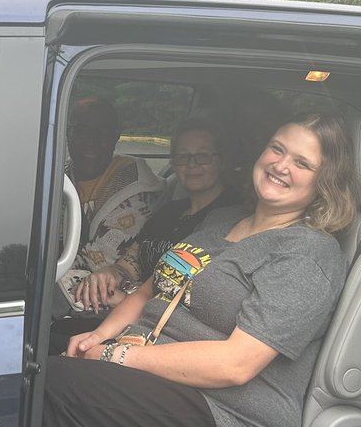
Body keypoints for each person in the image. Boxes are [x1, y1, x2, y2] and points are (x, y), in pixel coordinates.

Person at [33, 113, 360, 427]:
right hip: (164, 374)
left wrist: (117, 358)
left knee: (58, 385)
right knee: (46, 348)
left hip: (235, 421)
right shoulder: (225, 221)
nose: (280, 165)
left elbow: (236, 364)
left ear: (325, 183)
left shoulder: (307, 256)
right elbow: (149, 290)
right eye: (276, 148)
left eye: (302, 163)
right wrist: (100, 336)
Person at [72, 114, 242, 312]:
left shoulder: (228, 219)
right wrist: (111, 273)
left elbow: (200, 298)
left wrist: (126, 300)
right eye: (182, 156)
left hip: (158, 323)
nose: (191, 164)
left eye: (203, 156)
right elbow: (130, 263)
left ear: (222, 161)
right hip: (125, 307)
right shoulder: (170, 211)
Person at [63, 95, 162, 283]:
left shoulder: (138, 191)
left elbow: (96, 263)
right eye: (82, 131)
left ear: (116, 137)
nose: (92, 141)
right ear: (68, 134)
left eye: (104, 133)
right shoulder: (62, 176)